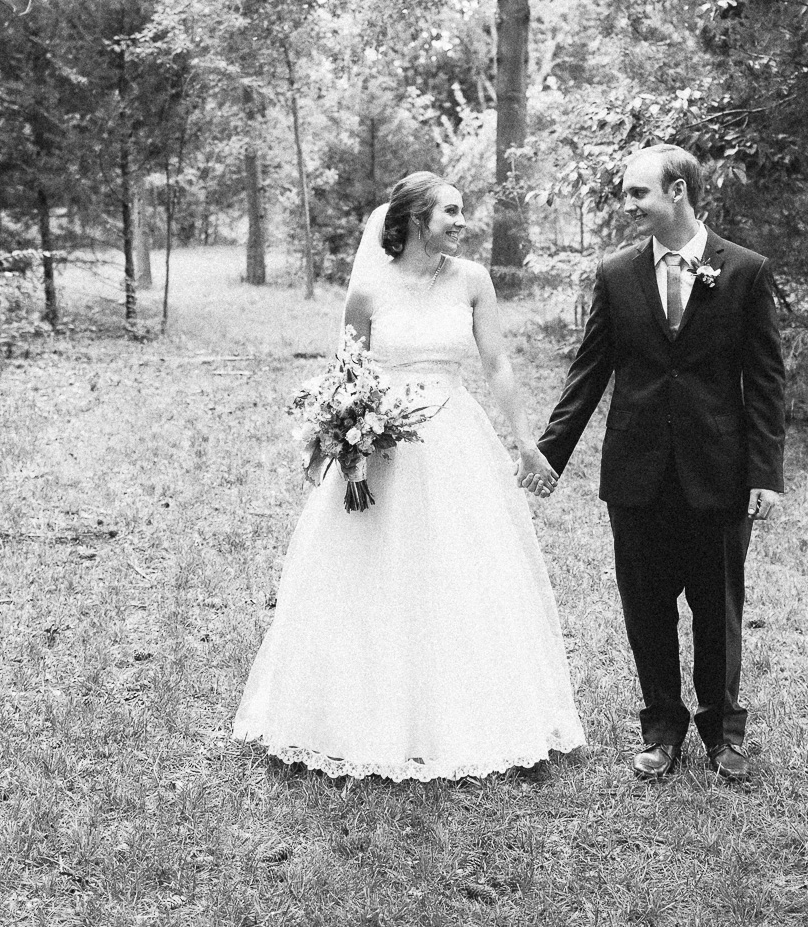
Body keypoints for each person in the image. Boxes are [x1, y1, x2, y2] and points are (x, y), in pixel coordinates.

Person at [233, 172, 585, 780]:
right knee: (373, 568)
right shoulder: (367, 291)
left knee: (460, 568)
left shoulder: (473, 281)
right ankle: (356, 714)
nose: (462, 220)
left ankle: (468, 713)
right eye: (450, 210)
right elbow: (346, 377)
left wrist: (525, 441)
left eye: (462, 210)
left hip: (454, 439)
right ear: (416, 218)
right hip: (383, 449)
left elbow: (496, 362)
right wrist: (350, 446)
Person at [523, 144, 786, 783]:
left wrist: (765, 474)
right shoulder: (617, 274)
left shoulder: (745, 272)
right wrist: (550, 454)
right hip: (637, 473)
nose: (628, 204)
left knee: (717, 605)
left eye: (637, 193)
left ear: (676, 190)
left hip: (718, 472)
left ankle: (723, 734)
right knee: (645, 605)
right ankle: (661, 727)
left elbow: (767, 379)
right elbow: (589, 373)